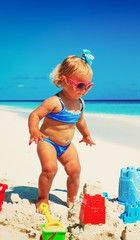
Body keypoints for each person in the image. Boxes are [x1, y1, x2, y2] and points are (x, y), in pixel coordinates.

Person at [28, 49, 96, 213]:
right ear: (64, 81)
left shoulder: (80, 103)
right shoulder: (54, 102)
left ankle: (71, 200)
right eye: (80, 85)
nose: (84, 90)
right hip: (48, 142)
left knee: (75, 171)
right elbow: (35, 114)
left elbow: (80, 120)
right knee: (50, 169)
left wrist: (86, 135)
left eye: (88, 86)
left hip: (66, 145)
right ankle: (42, 198)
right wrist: (35, 131)